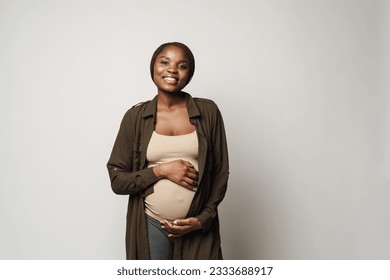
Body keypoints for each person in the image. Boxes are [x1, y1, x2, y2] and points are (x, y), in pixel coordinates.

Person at [107, 42, 229, 260]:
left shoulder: (208, 112)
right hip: (151, 224)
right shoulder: (135, 117)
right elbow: (118, 180)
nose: (172, 69)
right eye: (164, 62)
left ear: (189, 73)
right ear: (153, 66)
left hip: (198, 228)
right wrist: (162, 171)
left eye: (182, 65)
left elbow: (220, 172)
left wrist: (204, 218)